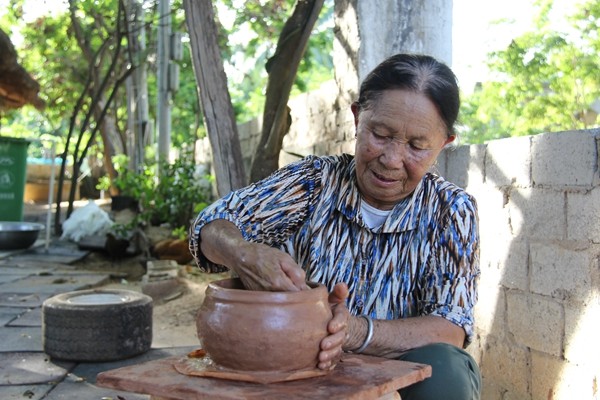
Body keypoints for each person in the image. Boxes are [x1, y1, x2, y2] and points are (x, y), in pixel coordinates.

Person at [189, 53, 481, 400]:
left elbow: (451, 328)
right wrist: (242, 253)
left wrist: (356, 332)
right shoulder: (313, 182)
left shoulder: (452, 210)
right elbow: (211, 225)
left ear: (443, 145)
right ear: (358, 118)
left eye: (417, 146)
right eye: (380, 134)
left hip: (397, 366)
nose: (391, 159)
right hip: (297, 361)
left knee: (446, 370)